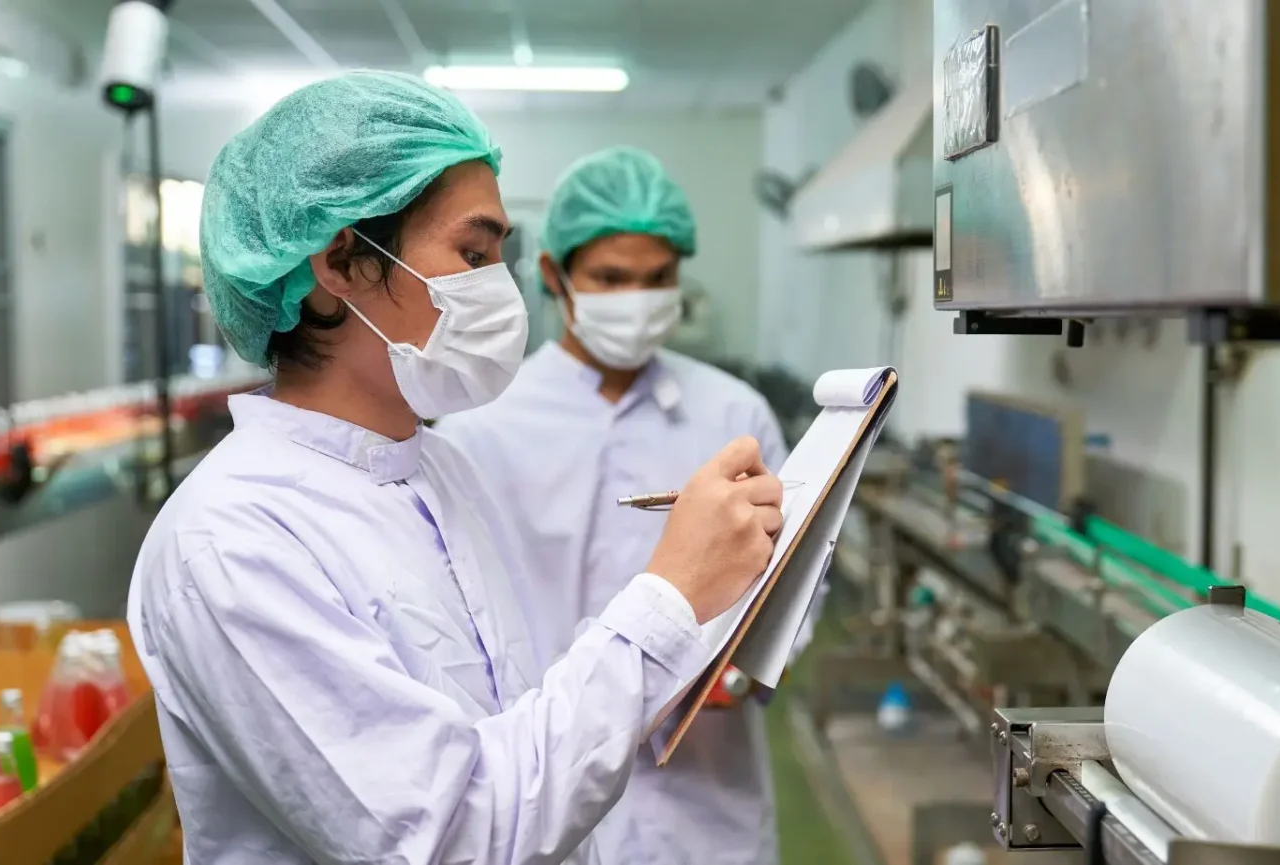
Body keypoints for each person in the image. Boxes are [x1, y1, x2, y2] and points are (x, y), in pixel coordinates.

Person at [125, 72, 784, 865]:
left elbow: (519, 736)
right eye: (471, 253)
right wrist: (674, 595)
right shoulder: (231, 543)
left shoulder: (433, 472)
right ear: (342, 262)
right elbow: (450, 835)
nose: (498, 290)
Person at [435, 147, 815, 865]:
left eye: (658, 279)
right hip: (543, 786)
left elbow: (800, 577)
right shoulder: (480, 426)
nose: (636, 300)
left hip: (706, 796)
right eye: (610, 279)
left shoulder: (734, 414)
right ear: (554, 276)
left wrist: (748, 665)